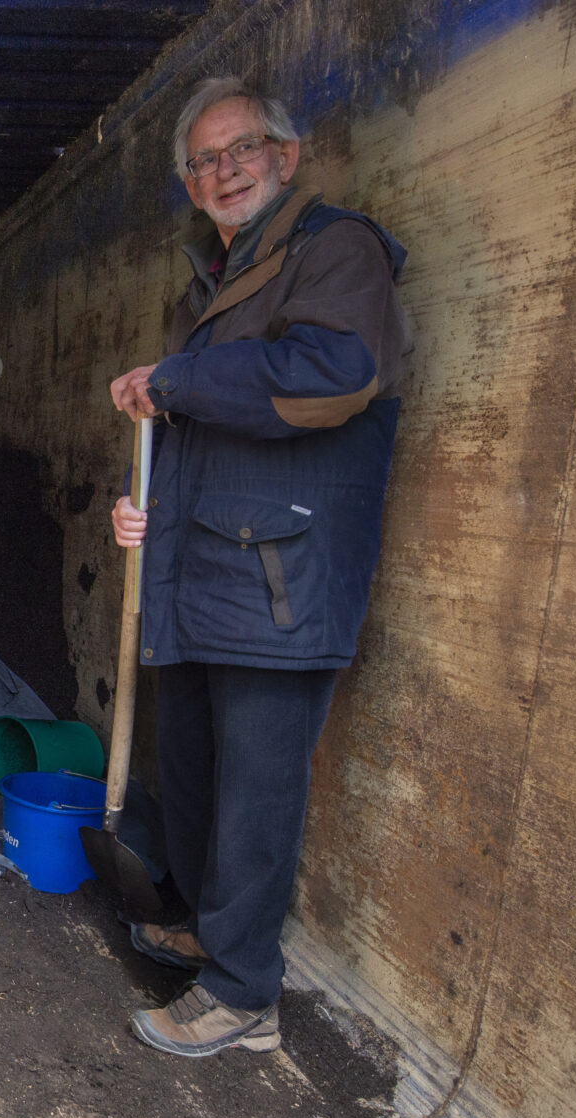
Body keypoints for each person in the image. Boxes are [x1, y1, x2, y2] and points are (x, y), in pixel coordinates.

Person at [99, 76, 412, 1058]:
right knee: (191, 765)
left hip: (279, 579)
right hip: (207, 573)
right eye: (203, 160)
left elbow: (333, 378)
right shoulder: (222, 283)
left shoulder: (333, 250)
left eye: (241, 150)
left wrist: (178, 379)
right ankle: (202, 922)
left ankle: (242, 992)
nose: (222, 170)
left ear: (283, 155)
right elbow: (206, 433)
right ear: (189, 186)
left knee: (255, 790)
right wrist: (140, 504)